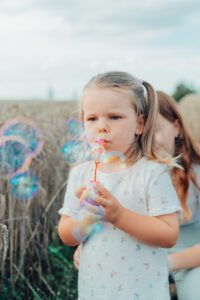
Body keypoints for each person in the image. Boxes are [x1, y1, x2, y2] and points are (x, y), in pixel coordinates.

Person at [58, 71, 181, 300]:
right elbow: (67, 235)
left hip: (143, 292)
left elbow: (169, 234)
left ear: (139, 124)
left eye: (114, 117)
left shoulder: (151, 174)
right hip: (95, 291)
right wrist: (86, 218)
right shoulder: (81, 174)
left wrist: (118, 216)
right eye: (92, 118)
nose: (101, 127)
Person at [155, 90, 200, 300]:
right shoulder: (130, 172)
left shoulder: (196, 171)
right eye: (138, 134)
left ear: (176, 127)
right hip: (142, 258)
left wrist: (168, 264)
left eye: (154, 130)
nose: (146, 141)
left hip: (193, 259)